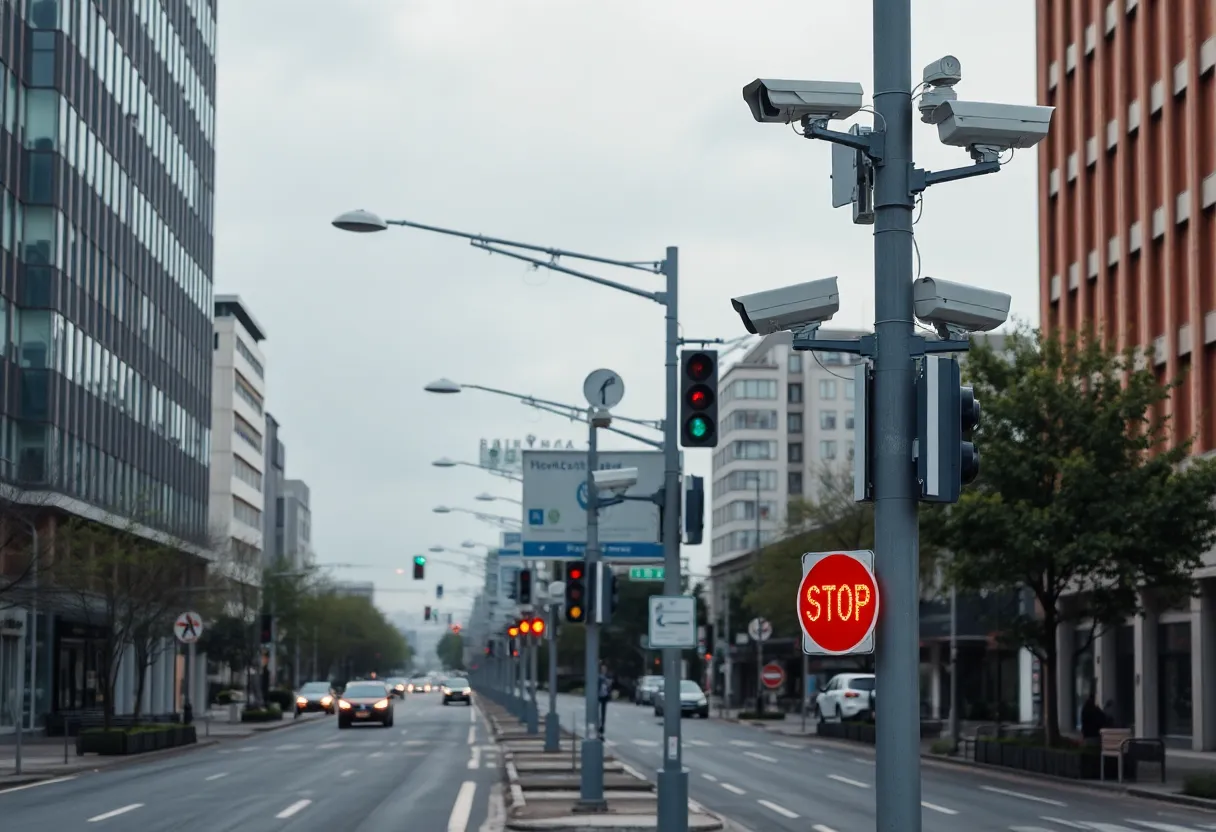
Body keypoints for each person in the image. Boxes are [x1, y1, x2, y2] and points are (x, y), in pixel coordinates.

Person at [598, 662, 614, 736]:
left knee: (603, 713)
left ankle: (602, 727)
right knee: (598, 711)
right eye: (602, 668)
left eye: (605, 669)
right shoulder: (599, 676)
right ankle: (598, 725)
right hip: (598, 696)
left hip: (605, 696)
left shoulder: (608, 676)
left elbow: (610, 683)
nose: (604, 670)